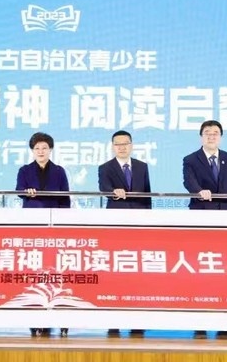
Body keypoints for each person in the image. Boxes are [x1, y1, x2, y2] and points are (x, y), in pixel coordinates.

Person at [182, 119, 227, 339]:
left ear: (221, 137)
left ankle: (225, 321)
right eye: (207, 132)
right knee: (201, 271)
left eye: (215, 133)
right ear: (201, 136)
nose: (211, 136)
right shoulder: (190, 159)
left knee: (226, 272)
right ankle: (200, 322)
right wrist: (199, 191)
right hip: (202, 220)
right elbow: (189, 182)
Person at [15, 132, 70, 337]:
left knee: (55, 268)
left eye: (44, 148)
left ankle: (59, 315)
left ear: (50, 150)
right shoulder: (24, 170)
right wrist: (26, 191)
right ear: (32, 150)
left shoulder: (59, 171)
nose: (41, 151)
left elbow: (65, 198)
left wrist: (64, 221)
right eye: (37, 148)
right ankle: (35, 316)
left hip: (55, 225)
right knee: (35, 268)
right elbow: (19, 190)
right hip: (33, 223)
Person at [98, 130, 150, 338]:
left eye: (125, 143)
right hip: (116, 226)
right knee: (116, 274)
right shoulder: (105, 168)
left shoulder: (142, 167)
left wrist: (148, 221)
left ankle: (137, 321)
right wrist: (114, 192)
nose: (121, 147)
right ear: (113, 147)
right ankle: (114, 321)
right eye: (117, 144)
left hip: (139, 225)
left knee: (138, 274)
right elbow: (104, 189)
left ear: (131, 145)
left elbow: (147, 195)